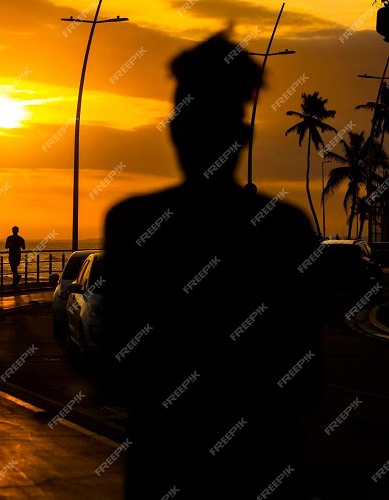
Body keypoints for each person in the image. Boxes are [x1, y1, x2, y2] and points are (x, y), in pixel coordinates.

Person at [103, 33, 323, 499]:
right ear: (242, 135)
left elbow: (113, 369)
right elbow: (306, 378)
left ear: (173, 130)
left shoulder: (131, 225)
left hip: (164, 467)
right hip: (265, 470)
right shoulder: (285, 230)